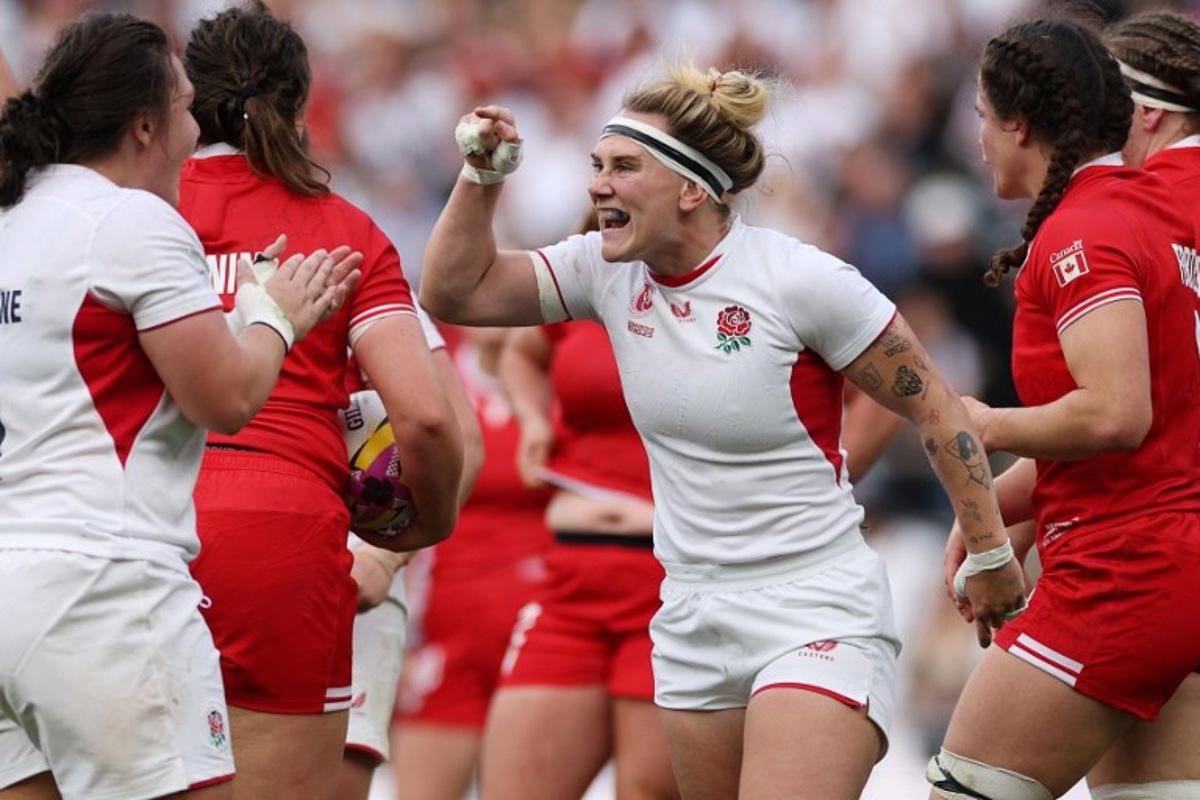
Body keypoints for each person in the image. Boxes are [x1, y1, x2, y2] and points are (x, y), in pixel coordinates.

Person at [419, 63, 1024, 799]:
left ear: (691, 189)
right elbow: (454, 290)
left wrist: (990, 550)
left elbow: (935, 406)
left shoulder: (799, 280)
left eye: (622, 167)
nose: (597, 186)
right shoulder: (606, 271)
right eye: (596, 166)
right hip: (690, 615)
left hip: (814, 606)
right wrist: (483, 174)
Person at [0, 12, 357, 800]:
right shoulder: (131, 220)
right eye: (189, 108)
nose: (200, 129)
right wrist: (275, 313)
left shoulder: (15, 218)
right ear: (144, 125)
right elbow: (228, 399)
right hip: (104, 587)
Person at [178, 4, 463, 799]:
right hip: (285, 536)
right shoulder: (345, 230)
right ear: (301, 105)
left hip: (143, 525)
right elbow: (430, 415)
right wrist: (428, 521)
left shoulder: (139, 217)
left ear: (183, 102)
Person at [932, 18, 1200, 800]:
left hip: (1124, 566)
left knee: (965, 791)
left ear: (1021, 122)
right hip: (1164, 554)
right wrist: (1001, 505)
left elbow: (1118, 415)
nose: (977, 139)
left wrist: (981, 424)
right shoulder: (1150, 218)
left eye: (982, 117)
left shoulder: (1089, 227)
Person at [481, 316, 676, 800]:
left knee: (647, 790)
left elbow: (876, 380)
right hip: (570, 576)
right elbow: (520, 350)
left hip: (674, 585)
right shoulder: (585, 277)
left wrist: (836, 473)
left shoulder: (744, 285)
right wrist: (533, 420)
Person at [389, 325, 552, 800]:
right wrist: (397, 642)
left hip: (536, 637)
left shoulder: (560, 394)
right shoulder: (431, 392)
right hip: (448, 638)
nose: (497, 319)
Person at [338, 305, 484, 800]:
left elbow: (453, 434)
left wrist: (382, 558)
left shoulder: (367, 270)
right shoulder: (182, 256)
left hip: (352, 584)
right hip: (210, 569)